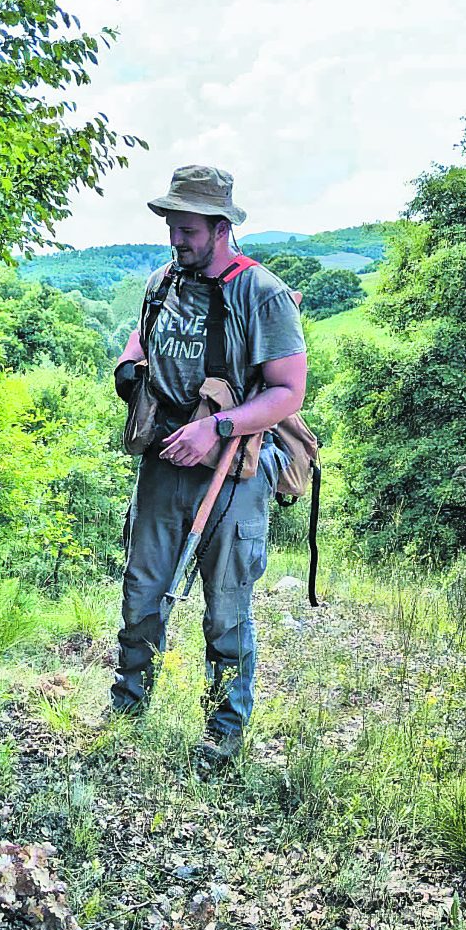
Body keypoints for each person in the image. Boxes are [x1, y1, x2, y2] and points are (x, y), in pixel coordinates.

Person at [109, 164, 307, 762]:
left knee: (226, 603)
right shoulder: (162, 282)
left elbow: (286, 393)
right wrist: (129, 366)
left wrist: (215, 427)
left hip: (233, 465)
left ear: (220, 228)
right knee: (143, 588)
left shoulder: (262, 293)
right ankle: (128, 704)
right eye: (172, 226)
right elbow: (143, 338)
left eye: (188, 229)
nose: (177, 239)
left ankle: (222, 732)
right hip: (165, 457)